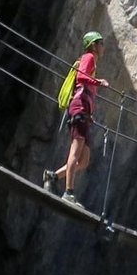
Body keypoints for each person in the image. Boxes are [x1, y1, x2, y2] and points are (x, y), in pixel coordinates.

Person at [43, 31, 108, 203]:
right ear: (93, 45)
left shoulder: (91, 61)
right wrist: (98, 82)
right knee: (75, 152)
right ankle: (69, 193)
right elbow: (81, 77)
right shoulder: (89, 57)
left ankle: (53, 176)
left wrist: (89, 114)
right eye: (101, 43)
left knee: (84, 160)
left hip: (83, 112)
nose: (103, 46)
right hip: (79, 109)